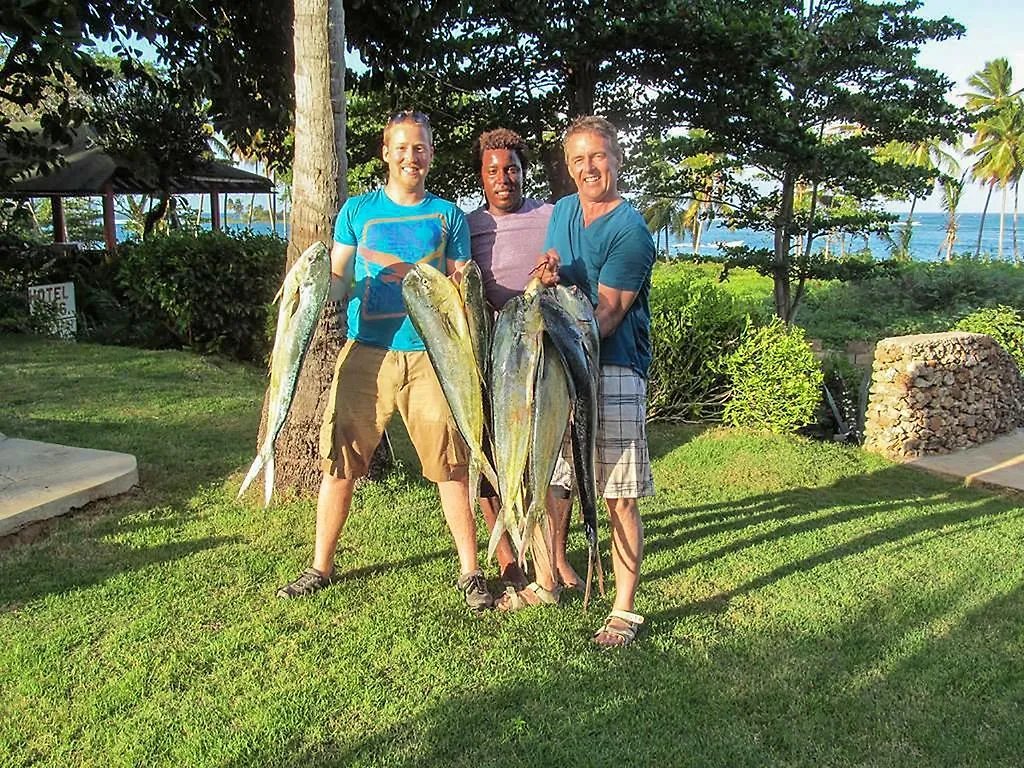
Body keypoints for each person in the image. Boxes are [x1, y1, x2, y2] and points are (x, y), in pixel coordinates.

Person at [276, 110, 493, 611]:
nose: (410, 157)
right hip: (366, 354)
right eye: (401, 148)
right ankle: (320, 567)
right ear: (385, 153)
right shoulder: (358, 211)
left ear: (431, 154)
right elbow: (336, 281)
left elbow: (460, 283)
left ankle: (470, 572)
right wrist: (311, 286)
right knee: (341, 461)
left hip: (431, 359)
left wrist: (463, 292)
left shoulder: (448, 215)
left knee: (450, 466)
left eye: (419, 148)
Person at [538, 116, 657, 646]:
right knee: (558, 479)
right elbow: (555, 269)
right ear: (569, 168)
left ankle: (624, 610)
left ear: (617, 159)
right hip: (563, 365)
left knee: (617, 492)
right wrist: (548, 274)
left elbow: (606, 317)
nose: (589, 168)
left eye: (598, 156)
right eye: (578, 160)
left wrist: (561, 309)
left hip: (614, 368)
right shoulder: (563, 210)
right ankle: (549, 579)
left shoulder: (631, 232)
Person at [467, 128, 566, 596]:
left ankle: (554, 557)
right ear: (482, 178)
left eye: (511, 169)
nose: (503, 178)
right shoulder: (468, 226)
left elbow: (573, 272)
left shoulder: (552, 216)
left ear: (523, 172)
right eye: (493, 171)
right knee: (490, 456)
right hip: (492, 360)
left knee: (549, 457)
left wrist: (556, 274)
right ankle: (508, 559)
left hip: (547, 357)